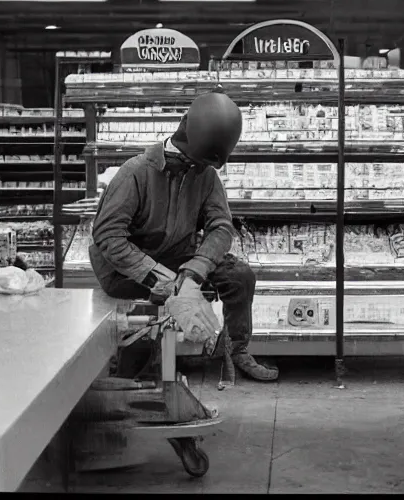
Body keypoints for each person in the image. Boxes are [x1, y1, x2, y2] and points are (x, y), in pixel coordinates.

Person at [89, 89, 279, 382]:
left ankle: (235, 349)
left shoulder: (204, 174)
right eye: (196, 162)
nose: (199, 169)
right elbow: (108, 237)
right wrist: (162, 279)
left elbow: (220, 226)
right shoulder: (135, 172)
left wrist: (196, 270)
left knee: (239, 276)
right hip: (124, 269)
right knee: (154, 312)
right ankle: (133, 367)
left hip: (179, 257)